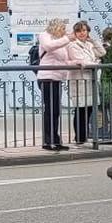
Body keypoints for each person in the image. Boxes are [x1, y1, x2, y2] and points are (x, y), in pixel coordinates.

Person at [35, 18, 77, 151]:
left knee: (56, 110)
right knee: (50, 109)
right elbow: (48, 46)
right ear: (56, 27)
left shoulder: (62, 42)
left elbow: (65, 60)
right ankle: (47, 141)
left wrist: (78, 63)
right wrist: (67, 39)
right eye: (62, 28)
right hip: (47, 78)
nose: (64, 31)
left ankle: (56, 139)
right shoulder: (45, 36)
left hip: (58, 78)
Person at [64, 20, 104, 146]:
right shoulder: (72, 45)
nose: (82, 33)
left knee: (90, 109)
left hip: (90, 81)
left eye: (84, 30)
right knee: (80, 109)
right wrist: (96, 63)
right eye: (79, 31)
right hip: (79, 81)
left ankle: (84, 135)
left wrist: (93, 41)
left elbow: (102, 52)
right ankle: (79, 137)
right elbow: (83, 62)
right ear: (75, 33)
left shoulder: (89, 44)